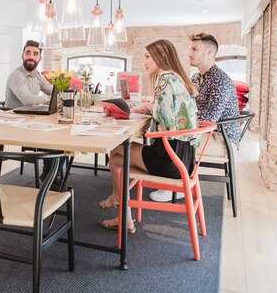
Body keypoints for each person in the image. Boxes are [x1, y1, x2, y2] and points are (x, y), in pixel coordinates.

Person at [99, 39, 199, 233]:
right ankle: (121, 209)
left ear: (160, 57)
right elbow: (171, 111)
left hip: (169, 159)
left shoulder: (164, 79)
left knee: (115, 151)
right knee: (117, 160)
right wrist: (149, 108)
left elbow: (167, 121)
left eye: (147, 56)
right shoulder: (175, 78)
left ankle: (119, 205)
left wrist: (147, 109)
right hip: (185, 159)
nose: (144, 60)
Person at [149, 32, 240, 202]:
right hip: (204, 131)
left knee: (170, 135)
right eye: (190, 48)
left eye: (195, 49)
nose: (189, 53)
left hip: (220, 138)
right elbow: (186, 107)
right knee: (166, 131)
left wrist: (172, 114)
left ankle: (176, 183)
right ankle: (167, 176)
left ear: (209, 52)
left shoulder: (221, 80)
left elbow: (209, 117)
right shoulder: (196, 77)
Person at [5, 40, 65, 190]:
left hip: (31, 119)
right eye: (28, 53)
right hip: (14, 124)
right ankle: (51, 174)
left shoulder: (38, 75)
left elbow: (53, 91)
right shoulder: (16, 76)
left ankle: (50, 173)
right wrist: (52, 100)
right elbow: (28, 100)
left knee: (63, 135)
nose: (31, 56)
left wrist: (65, 92)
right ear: (22, 55)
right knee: (56, 138)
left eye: (35, 54)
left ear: (39, 58)